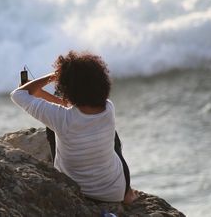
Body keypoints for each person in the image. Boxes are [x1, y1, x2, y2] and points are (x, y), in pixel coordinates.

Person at [10, 51, 138, 204]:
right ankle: (128, 192)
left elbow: (18, 94)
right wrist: (41, 94)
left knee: (52, 127)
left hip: (75, 190)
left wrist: (54, 76)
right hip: (114, 193)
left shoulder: (61, 118)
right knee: (113, 139)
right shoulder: (108, 109)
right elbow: (73, 107)